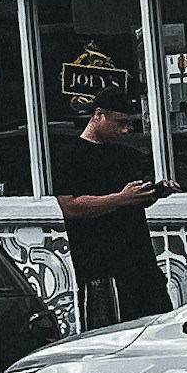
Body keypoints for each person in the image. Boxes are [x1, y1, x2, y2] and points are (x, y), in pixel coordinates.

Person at [54, 91, 173, 328]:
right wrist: (120, 199)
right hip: (101, 268)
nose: (126, 130)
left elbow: (133, 201)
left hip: (141, 263)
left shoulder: (125, 155)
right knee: (108, 338)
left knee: (156, 329)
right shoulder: (69, 156)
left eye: (130, 124)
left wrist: (154, 193)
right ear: (98, 115)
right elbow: (70, 207)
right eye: (120, 123)